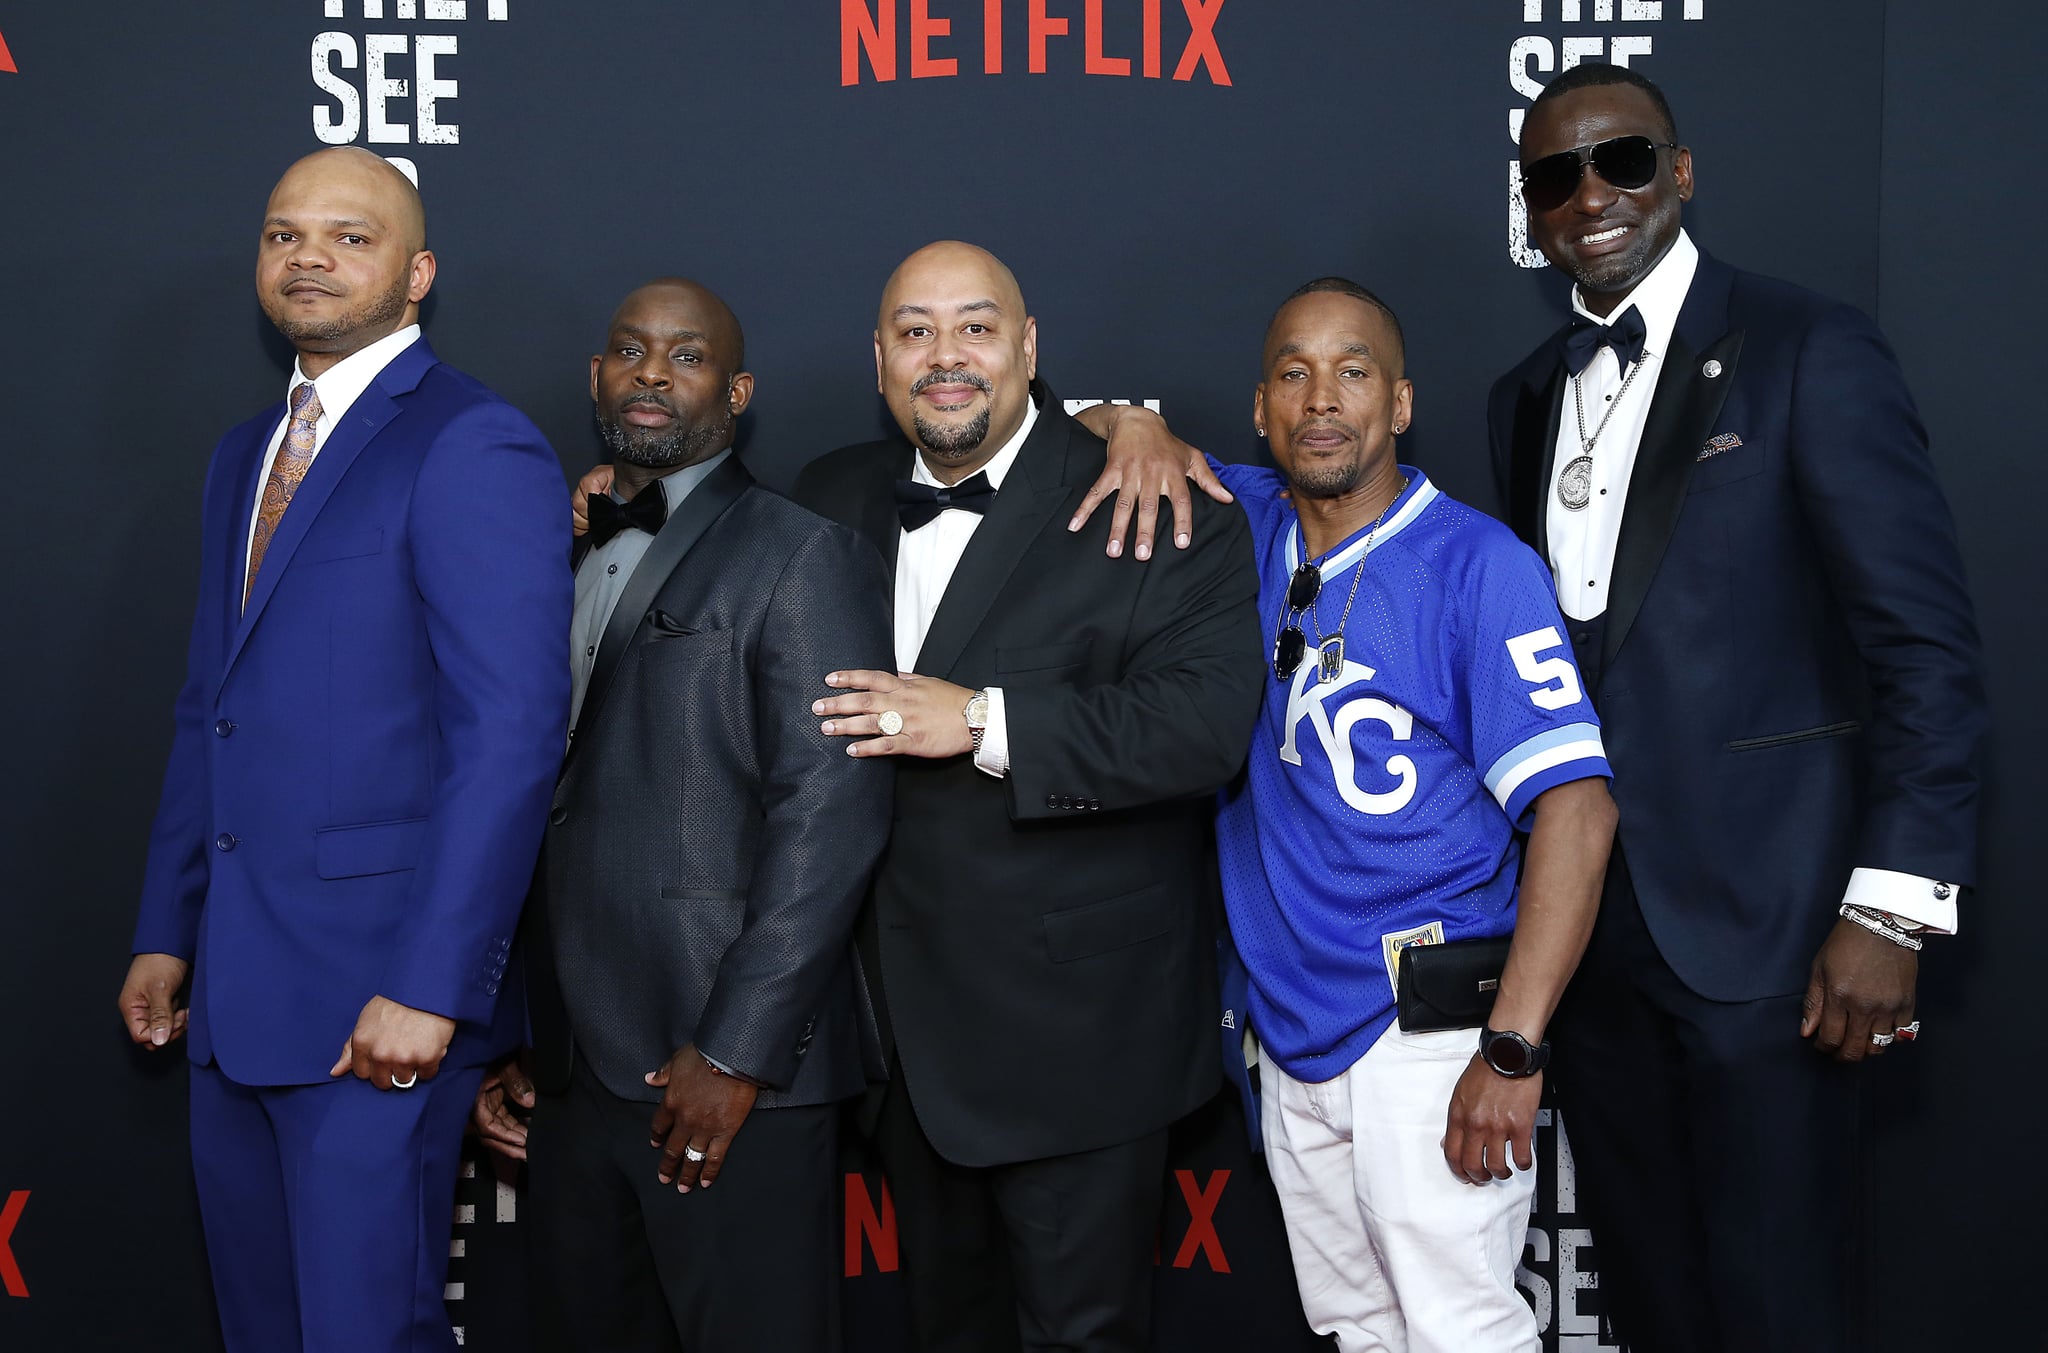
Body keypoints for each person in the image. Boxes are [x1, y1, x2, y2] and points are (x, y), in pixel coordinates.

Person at [1487, 64, 1985, 1350]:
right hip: (1590, 939)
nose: (1588, 197)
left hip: (1772, 934)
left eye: (1622, 162)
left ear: (1681, 171)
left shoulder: (1807, 346)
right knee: (1654, 1299)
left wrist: (1887, 906)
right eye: (1553, 177)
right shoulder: (1522, 394)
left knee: (1778, 1305)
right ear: (1530, 210)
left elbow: (1923, 650)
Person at [116, 147, 571, 1353]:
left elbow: (513, 734)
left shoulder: (474, 443)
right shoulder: (240, 457)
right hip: (234, 994)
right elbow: (206, 705)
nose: (308, 255)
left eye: (348, 236)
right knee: (264, 1328)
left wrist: (433, 984)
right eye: (283, 234)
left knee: (368, 1331)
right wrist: (169, 925)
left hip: (382, 1001)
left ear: (416, 273)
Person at [797, 241, 1264, 1353]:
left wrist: (976, 720)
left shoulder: (1157, 499)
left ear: (1028, 347)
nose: (944, 357)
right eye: (914, 332)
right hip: (895, 1046)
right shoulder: (829, 497)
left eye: (975, 327)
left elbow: (1200, 729)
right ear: (877, 361)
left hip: (1081, 1041)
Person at [470, 278, 895, 1352]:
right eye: (629, 351)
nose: (652, 374)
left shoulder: (803, 553)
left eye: (687, 356)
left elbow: (829, 818)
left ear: (737, 389)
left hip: (719, 1071)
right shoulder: (556, 546)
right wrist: (527, 1031)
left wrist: (738, 1049)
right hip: (571, 1072)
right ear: (596, 376)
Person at [1202, 278, 1617, 1352]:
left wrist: (1512, 1049)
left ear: (1398, 404)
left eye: (1352, 372)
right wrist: (1127, 427)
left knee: (1458, 1331)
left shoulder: (1477, 566)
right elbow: (1109, 440)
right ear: (1259, 408)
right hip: (1290, 1024)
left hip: (1424, 1023)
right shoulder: (1238, 525)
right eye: (1293, 374)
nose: (1321, 399)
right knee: (1358, 1332)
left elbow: (1575, 811)